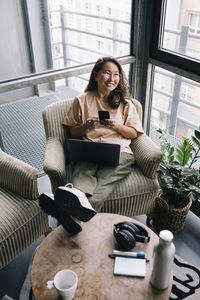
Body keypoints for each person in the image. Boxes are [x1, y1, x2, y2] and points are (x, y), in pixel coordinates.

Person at [39, 56, 144, 234]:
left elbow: (134, 133)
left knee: (104, 181)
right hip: (90, 147)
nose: (112, 79)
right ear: (96, 75)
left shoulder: (126, 103)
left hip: (120, 151)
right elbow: (72, 132)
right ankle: (73, 212)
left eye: (116, 74)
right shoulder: (81, 100)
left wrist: (116, 126)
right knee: (82, 171)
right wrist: (85, 127)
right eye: (107, 73)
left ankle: (64, 210)